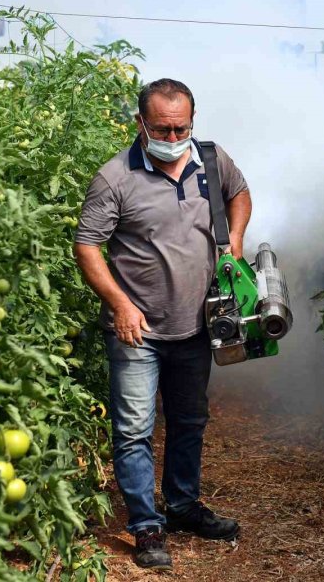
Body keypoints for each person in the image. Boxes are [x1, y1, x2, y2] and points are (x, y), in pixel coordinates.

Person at [73, 78, 252, 571]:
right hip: (137, 329)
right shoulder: (115, 178)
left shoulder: (212, 161)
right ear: (140, 124)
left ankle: (182, 505)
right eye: (162, 130)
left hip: (197, 323)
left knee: (190, 420)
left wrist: (234, 239)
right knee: (134, 429)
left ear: (192, 123)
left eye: (181, 129)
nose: (173, 139)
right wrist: (119, 303)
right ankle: (146, 524)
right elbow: (87, 246)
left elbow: (240, 194)